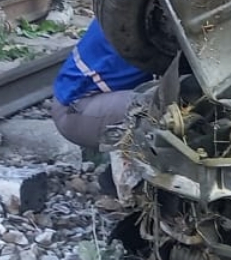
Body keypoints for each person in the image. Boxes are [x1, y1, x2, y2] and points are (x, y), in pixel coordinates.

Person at [51, 18, 154, 200]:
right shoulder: (150, 17)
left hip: (91, 103)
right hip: (77, 108)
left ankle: (118, 177)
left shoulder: (131, 2)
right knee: (168, 104)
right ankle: (126, 187)